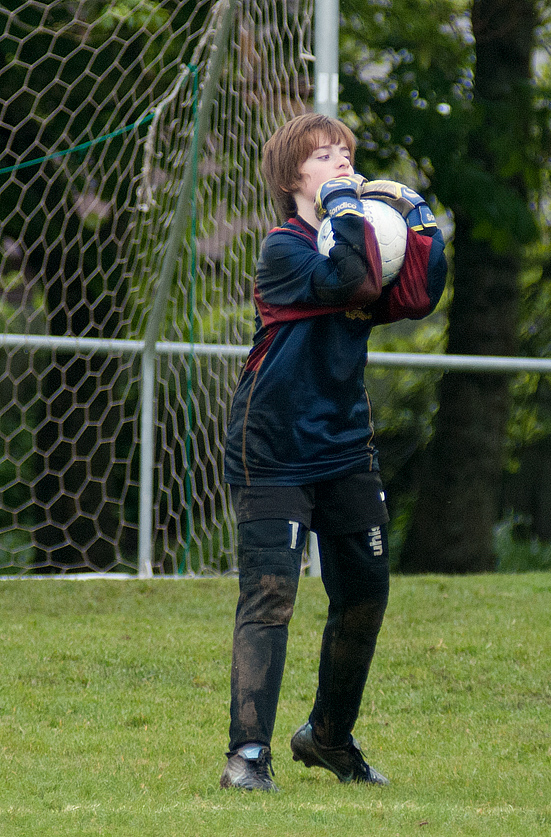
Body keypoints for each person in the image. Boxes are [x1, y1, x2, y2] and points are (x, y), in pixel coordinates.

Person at [219, 112, 447, 792]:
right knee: (270, 597)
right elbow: (350, 279)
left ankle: (327, 738)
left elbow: (418, 295)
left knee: (365, 594)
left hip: (345, 446)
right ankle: (247, 757)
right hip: (272, 448)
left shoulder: (358, 237)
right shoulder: (284, 249)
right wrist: (346, 208)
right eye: (324, 156)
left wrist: (423, 227)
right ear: (293, 176)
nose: (343, 163)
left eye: (346, 154)